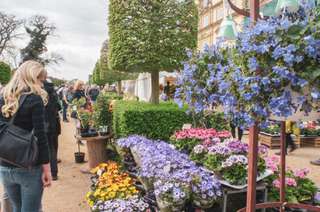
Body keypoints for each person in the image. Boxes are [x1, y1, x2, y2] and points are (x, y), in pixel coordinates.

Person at [0, 60, 51, 212]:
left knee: (17, 207)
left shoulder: (3, 96)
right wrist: (47, 169)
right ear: (32, 77)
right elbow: (41, 137)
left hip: (4, 163)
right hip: (28, 164)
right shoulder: (34, 98)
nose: (42, 83)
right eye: (40, 79)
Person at [44, 79, 61, 181]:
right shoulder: (53, 92)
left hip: (44, 124)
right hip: (54, 123)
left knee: (47, 148)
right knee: (53, 147)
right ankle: (54, 173)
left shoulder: (38, 92)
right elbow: (58, 107)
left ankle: (48, 172)